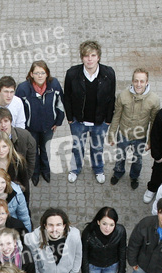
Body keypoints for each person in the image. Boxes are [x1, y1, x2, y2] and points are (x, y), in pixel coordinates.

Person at [63, 40, 116, 183]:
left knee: (97, 147)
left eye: (93, 55)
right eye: (86, 56)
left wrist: (108, 120)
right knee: (77, 147)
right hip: (78, 121)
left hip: (100, 122)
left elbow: (111, 98)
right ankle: (75, 169)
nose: (90, 59)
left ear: (98, 57)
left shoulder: (108, 74)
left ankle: (98, 169)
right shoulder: (72, 74)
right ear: (82, 58)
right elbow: (67, 97)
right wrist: (70, 119)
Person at [107, 68, 159, 189]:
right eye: (136, 81)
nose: (138, 84)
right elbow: (117, 116)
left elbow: (153, 123)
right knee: (120, 156)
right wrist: (111, 134)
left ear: (147, 82)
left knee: (137, 159)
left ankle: (134, 176)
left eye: (142, 81)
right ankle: (118, 172)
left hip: (140, 136)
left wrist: (150, 141)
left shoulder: (154, 100)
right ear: (132, 81)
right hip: (123, 133)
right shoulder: (123, 96)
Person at [15, 61, 63, 185]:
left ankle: (45, 170)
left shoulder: (54, 85)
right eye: (37, 73)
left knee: (46, 149)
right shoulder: (23, 89)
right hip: (30, 128)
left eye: (43, 73)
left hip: (49, 126)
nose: (40, 76)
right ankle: (34, 173)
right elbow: (18, 109)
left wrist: (58, 121)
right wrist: (22, 128)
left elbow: (60, 103)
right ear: (31, 74)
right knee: (33, 151)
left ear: (47, 74)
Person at [81, 207, 127, 273]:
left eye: (111, 225)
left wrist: (121, 268)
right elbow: (84, 253)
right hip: (93, 265)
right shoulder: (88, 232)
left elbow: (122, 249)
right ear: (98, 222)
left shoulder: (120, 231)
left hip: (111, 265)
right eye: (104, 224)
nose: (107, 228)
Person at [0, 107, 36, 187]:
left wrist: (25, 178)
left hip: (17, 179)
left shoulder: (24, 136)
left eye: (6, 121)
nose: (3, 125)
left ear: (11, 121)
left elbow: (31, 158)